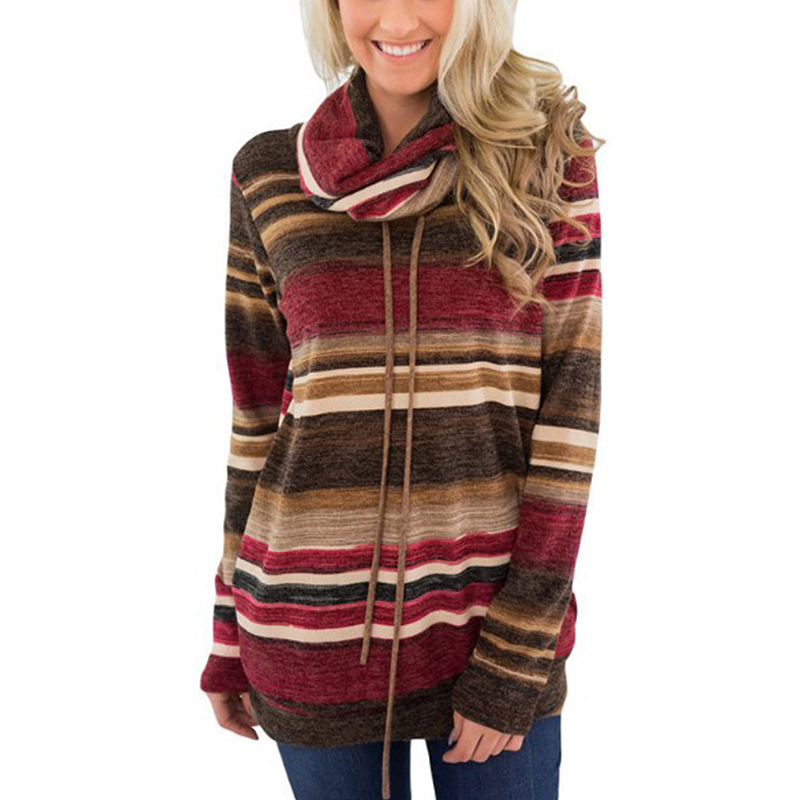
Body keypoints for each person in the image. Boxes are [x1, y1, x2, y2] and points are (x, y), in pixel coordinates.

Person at [200, 1, 604, 798]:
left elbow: (569, 422)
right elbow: (257, 421)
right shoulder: (267, 174)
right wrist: (226, 627)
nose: (396, 16)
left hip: (489, 631)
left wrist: (519, 649)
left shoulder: (548, 159)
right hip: (305, 636)